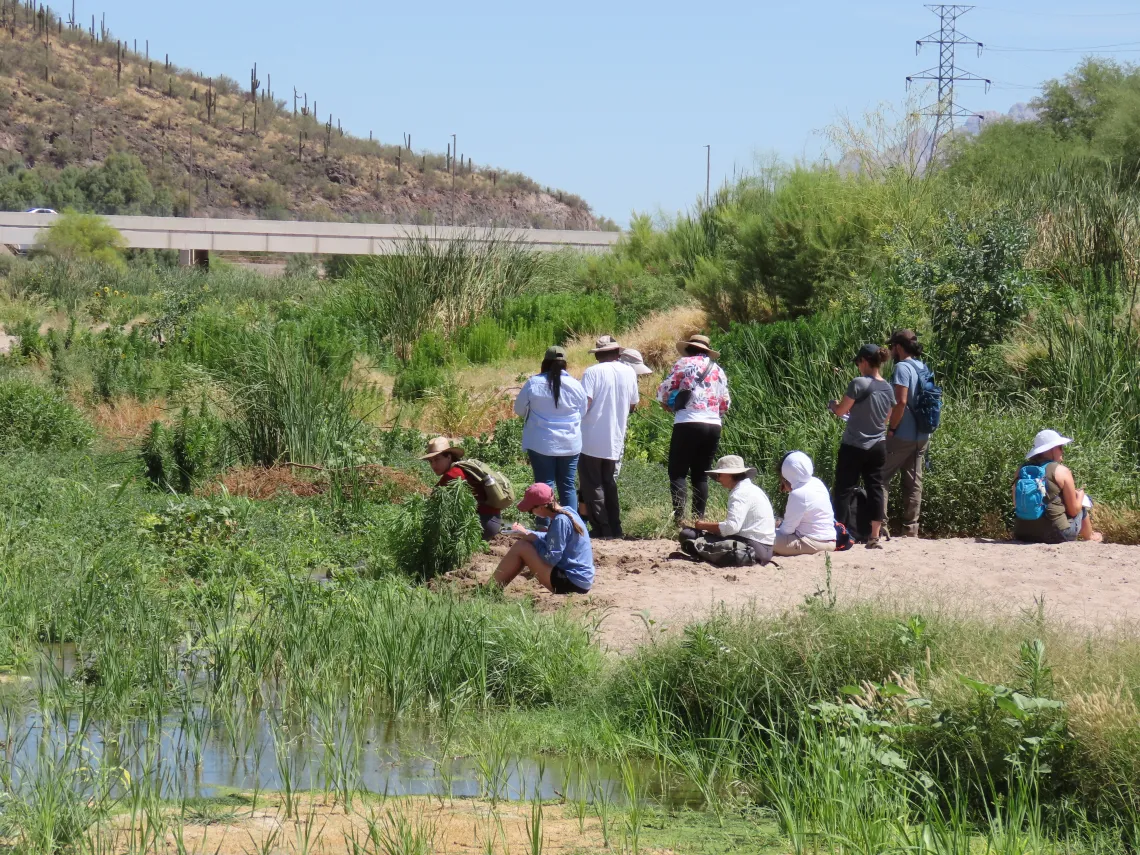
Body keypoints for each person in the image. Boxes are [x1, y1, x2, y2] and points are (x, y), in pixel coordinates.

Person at [656, 334, 730, 525]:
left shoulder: (684, 363)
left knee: (678, 472)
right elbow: (725, 404)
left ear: (689, 349)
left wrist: (667, 404)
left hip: (688, 421)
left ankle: (680, 520)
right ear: (706, 350)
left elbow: (664, 390)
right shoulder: (719, 370)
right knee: (701, 474)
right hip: (713, 424)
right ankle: (699, 520)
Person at [829, 344, 895, 549]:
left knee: (843, 489)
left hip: (854, 445)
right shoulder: (888, 387)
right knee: (875, 488)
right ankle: (874, 536)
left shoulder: (858, 383)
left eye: (858, 362)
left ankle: (842, 534)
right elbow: (886, 418)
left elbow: (841, 411)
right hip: (878, 445)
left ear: (865, 362)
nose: (858, 366)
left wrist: (832, 405)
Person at [514, 346, 589, 521]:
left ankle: (544, 526)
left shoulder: (534, 383)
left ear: (544, 362)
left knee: (544, 485)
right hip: (570, 444)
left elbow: (518, 410)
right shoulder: (576, 385)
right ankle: (572, 525)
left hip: (541, 442)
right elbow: (583, 411)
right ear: (565, 364)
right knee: (567, 486)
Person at [579, 335, 640, 539]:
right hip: (615, 438)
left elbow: (585, 404)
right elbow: (633, 405)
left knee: (593, 484)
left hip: (590, 437)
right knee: (609, 483)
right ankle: (616, 527)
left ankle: (602, 528)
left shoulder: (592, 372)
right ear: (617, 353)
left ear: (598, 355)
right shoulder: (629, 372)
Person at [490, 483, 595, 594]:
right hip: (582, 581)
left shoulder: (560, 521)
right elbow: (553, 538)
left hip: (571, 583)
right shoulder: (568, 511)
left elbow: (551, 558)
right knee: (525, 544)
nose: (532, 513)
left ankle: (490, 589)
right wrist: (527, 533)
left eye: (531, 511)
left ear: (540, 507)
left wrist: (535, 541)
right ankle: (494, 587)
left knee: (521, 547)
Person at [679, 455, 775, 567]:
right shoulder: (754, 490)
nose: (718, 479)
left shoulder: (739, 493)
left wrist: (703, 525)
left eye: (719, 475)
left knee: (687, 534)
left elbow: (732, 527)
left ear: (729, 475)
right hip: (766, 548)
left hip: (751, 548)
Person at [1012, 430, 1103, 543]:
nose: (1062, 451)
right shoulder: (1062, 471)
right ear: (1052, 449)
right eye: (1060, 447)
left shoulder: (1021, 470)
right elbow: (1074, 511)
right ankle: (1090, 537)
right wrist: (1080, 496)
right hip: (1057, 535)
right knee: (1083, 503)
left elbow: (1016, 503)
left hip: (1023, 534)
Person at [883, 329, 932, 537]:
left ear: (899, 347)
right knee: (913, 482)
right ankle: (910, 529)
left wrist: (891, 428)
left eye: (892, 346)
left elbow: (901, 402)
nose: (891, 351)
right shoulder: (924, 367)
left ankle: (880, 527)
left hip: (903, 434)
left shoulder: (902, 368)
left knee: (880, 477)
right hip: (922, 435)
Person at [422, 437, 502, 540]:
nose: (433, 465)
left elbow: (433, 503)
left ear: (449, 457)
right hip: (492, 521)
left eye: (437, 459)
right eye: (430, 461)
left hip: (482, 523)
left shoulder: (453, 475)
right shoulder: (460, 468)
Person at [774, 451, 837, 556]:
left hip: (814, 543)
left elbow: (786, 531)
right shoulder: (817, 482)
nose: (783, 487)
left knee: (763, 537)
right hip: (830, 541)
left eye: (783, 480)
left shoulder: (798, 494)